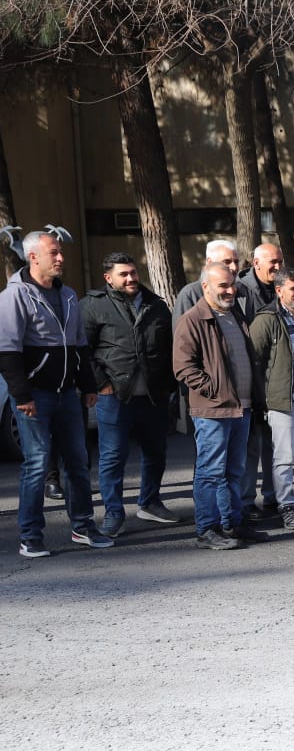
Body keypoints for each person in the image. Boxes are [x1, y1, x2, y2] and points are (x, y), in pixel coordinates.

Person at [0, 230, 113, 557]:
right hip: (36, 395)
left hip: (68, 394)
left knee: (78, 462)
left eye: (61, 252)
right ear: (33, 256)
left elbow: (78, 345)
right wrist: (22, 396)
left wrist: (88, 385)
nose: (61, 258)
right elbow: (7, 351)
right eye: (54, 253)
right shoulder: (14, 297)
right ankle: (30, 536)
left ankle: (83, 527)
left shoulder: (67, 295)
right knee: (36, 464)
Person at [81, 250, 181, 537]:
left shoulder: (156, 305)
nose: (130, 278)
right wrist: (101, 383)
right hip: (114, 396)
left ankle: (150, 502)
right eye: (123, 274)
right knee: (113, 456)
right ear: (108, 278)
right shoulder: (91, 306)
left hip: (152, 395)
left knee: (156, 452)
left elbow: (169, 348)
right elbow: (83, 350)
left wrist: (168, 387)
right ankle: (113, 512)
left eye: (133, 273)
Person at [172, 262, 267, 550]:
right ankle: (207, 529)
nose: (230, 290)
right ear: (205, 287)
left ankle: (232, 523)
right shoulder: (193, 319)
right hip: (214, 410)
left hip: (242, 407)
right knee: (210, 471)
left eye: (232, 284)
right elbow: (183, 368)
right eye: (222, 285)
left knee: (234, 470)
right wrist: (216, 390)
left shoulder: (234, 314)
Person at [246, 268, 294, 531]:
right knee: (284, 458)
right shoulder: (267, 319)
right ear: (279, 290)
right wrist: (261, 400)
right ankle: (287, 507)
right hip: (284, 401)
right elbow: (254, 361)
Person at [238, 243, 285, 520]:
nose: (278, 267)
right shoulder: (242, 291)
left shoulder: (283, 287)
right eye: (272, 262)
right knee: (250, 444)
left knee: (275, 442)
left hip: (276, 378)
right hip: (250, 377)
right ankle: (245, 501)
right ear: (256, 263)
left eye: (280, 261)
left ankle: (273, 496)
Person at [173, 240, 248, 322]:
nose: (234, 267)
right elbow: (183, 332)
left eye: (236, 262)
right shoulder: (190, 294)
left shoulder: (242, 291)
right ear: (210, 262)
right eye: (226, 262)